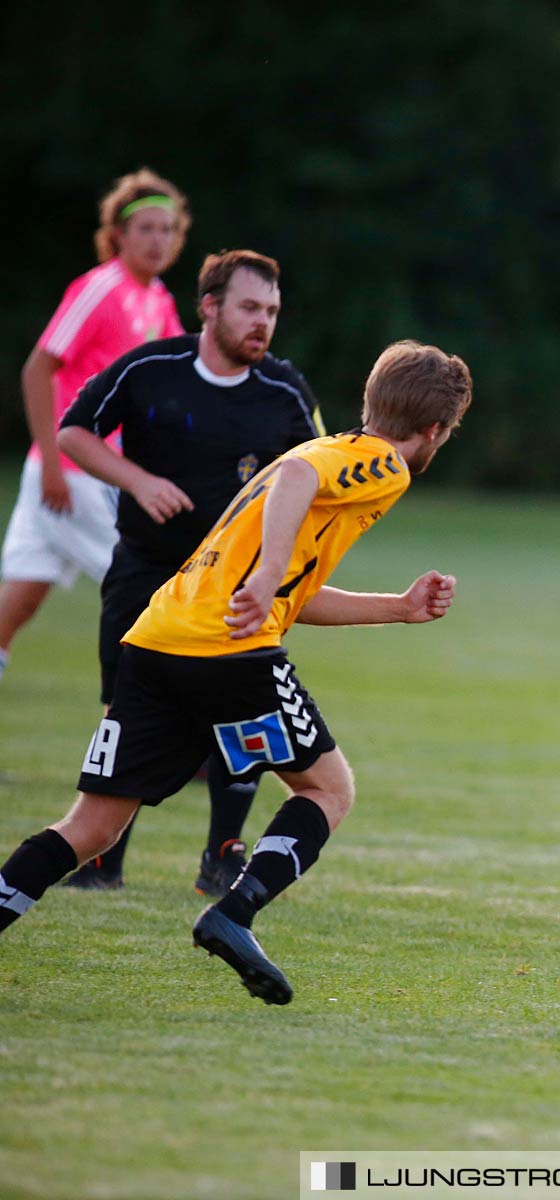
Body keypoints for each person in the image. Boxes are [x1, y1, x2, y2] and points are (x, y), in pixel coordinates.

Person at [0, 341, 472, 1007]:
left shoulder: (323, 453)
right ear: (434, 431)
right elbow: (292, 499)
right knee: (328, 791)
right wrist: (267, 571)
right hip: (227, 653)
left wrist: (394, 608)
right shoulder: (380, 464)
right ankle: (235, 912)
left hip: (157, 641)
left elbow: (288, 590)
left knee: (93, 827)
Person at [54, 249, 325, 895]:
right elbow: (73, 432)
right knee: (128, 711)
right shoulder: (152, 369)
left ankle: (222, 856)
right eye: (250, 308)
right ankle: (102, 858)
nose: (263, 323)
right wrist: (138, 480)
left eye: (272, 312)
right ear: (209, 307)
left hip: (236, 587)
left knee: (245, 717)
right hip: (147, 571)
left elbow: (322, 472)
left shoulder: (285, 392)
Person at [0, 169, 189, 682]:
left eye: (167, 229)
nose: (158, 240)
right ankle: (175, 733)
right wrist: (52, 467)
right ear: (119, 234)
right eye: (146, 228)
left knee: (16, 604)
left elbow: (177, 375)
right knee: (154, 593)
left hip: (78, 475)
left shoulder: (158, 297)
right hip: (78, 474)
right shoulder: (101, 287)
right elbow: (39, 368)